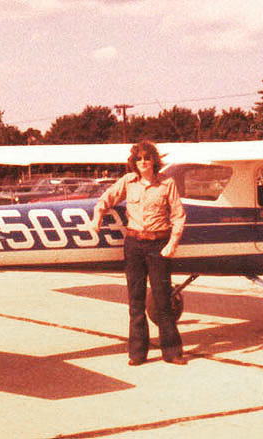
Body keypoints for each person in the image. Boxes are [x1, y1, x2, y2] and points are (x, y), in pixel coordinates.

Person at [90, 140, 187, 366]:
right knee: (135, 301)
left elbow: (178, 215)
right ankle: (137, 353)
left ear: (154, 160)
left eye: (147, 158)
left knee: (163, 300)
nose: (143, 162)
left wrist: (172, 243)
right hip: (134, 244)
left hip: (158, 244)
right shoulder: (128, 182)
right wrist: (97, 218)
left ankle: (172, 351)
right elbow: (106, 199)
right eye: (138, 159)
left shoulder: (167, 184)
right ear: (134, 162)